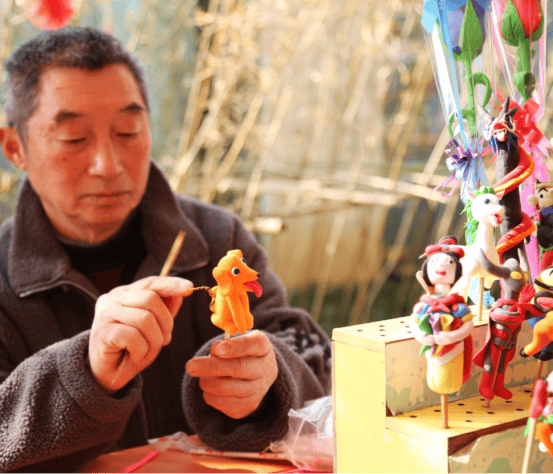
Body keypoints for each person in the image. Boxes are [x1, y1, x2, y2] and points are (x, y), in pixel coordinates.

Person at [0, 27, 331, 472]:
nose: (108, 165)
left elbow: (314, 356)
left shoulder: (218, 239)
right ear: (15, 148)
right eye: (75, 138)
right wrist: (85, 373)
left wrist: (270, 378)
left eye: (128, 131)